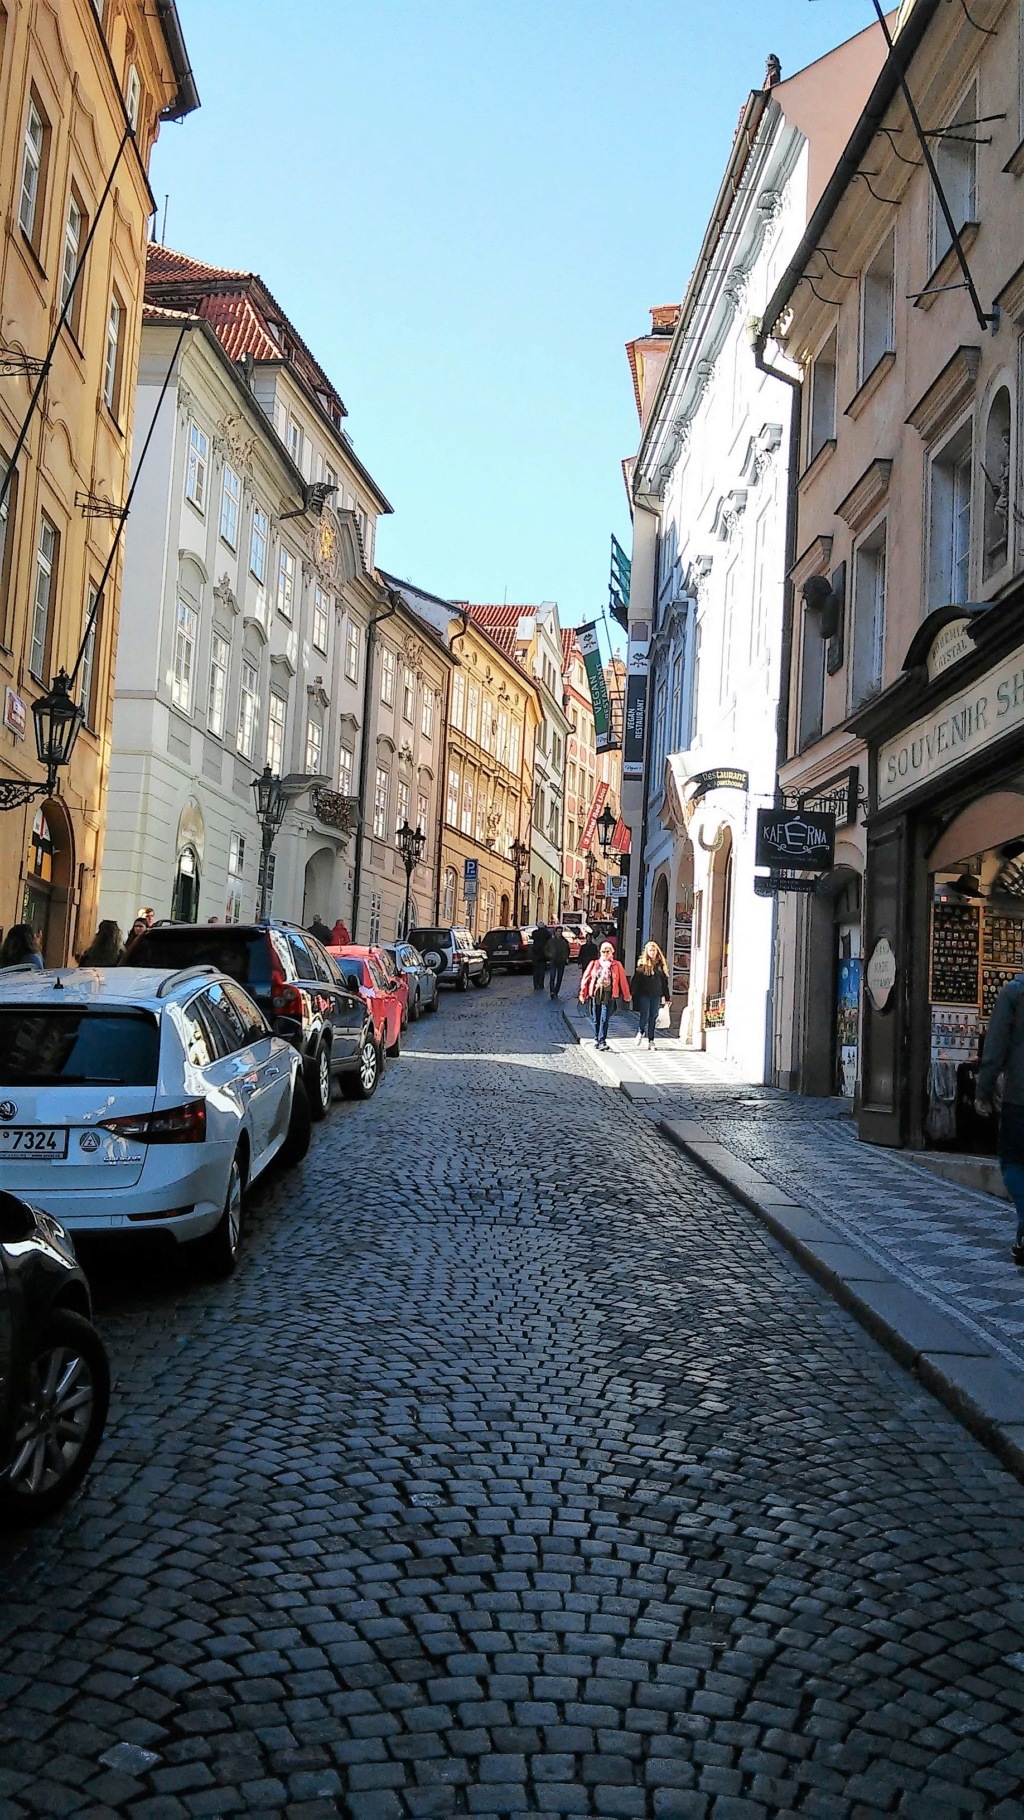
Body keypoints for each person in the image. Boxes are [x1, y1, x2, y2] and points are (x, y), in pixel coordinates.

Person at [977, 970, 1024, 1264]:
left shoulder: (1013, 994)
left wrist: (983, 1089)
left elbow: (995, 1045)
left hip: (1020, 1096)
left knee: (1013, 1162)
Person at [579, 940, 631, 1050]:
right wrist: (583, 994)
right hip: (596, 994)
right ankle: (597, 1038)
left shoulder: (617, 965)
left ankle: (602, 1040)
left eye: (608, 951)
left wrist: (627, 995)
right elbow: (585, 979)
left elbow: (623, 981)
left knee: (604, 1018)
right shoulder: (594, 964)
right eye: (603, 951)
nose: (605, 954)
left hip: (610, 995)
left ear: (612, 952)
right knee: (596, 1018)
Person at [631, 941, 671, 1049]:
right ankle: (640, 1031)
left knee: (653, 1016)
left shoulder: (660, 965)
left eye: (654, 950)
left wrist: (667, 997)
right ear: (647, 952)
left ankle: (651, 1040)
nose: (652, 953)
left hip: (656, 995)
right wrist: (631, 992)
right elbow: (636, 980)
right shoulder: (642, 964)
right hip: (644, 994)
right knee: (645, 1014)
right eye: (650, 951)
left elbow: (664, 982)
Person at [546, 926, 570, 1000]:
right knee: (552, 977)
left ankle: (556, 991)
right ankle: (552, 991)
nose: (560, 933)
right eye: (558, 931)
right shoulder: (551, 941)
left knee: (559, 978)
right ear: (555, 932)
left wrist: (566, 957)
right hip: (553, 960)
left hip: (561, 961)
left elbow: (568, 950)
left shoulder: (564, 941)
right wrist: (549, 955)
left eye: (561, 931)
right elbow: (546, 950)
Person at [531, 923, 550, 991]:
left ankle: (536, 984)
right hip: (543, 953)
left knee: (536, 970)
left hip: (535, 953)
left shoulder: (535, 933)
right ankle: (541, 984)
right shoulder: (547, 933)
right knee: (542, 970)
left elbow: (532, 938)